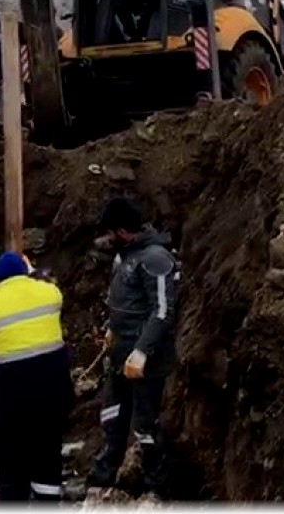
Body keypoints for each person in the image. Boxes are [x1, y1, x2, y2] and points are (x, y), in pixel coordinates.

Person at [88, 197, 180, 498]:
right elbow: (124, 303)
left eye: (110, 232)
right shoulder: (125, 256)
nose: (106, 239)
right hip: (120, 355)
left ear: (122, 231)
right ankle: (102, 478)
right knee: (112, 416)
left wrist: (141, 351)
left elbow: (163, 311)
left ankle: (157, 488)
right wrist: (112, 332)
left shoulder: (155, 259)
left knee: (144, 425)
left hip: (146, 361)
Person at [0, 251, 74, 502]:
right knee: (48, 450)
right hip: (52, 392)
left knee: (11, 454)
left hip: (11, 398)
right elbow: (56, 299)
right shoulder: (49, 293)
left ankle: (12, 498)